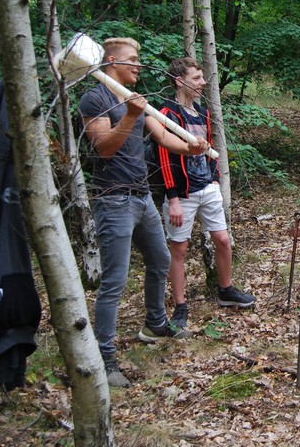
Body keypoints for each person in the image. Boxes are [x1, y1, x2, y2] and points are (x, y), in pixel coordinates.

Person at [79, 37, 209, 388]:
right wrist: (131, 115)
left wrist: (192, 147)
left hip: (142, 197)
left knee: (161, 259)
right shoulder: (96, 98)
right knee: (114, 282)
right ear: (111, 61)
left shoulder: (135, 99)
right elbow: (104, 148)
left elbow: (165, 138)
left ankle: (155, 322)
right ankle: (104, 358)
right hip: (113, 199)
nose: (138, 65)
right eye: (132, 60)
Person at [158, 57, 256, 333]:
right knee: (179, 249)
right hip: (182, 194)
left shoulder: (202, 113)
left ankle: (225, 290)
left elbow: (210, 146)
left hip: (207, 188)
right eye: (197, 78)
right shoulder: (167, 113)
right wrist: (173, 199)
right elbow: (164, 158)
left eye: (202, 77)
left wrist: (214, 179)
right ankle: (180, 307)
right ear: (180, 81)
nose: (203, 83)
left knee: (223, 240)